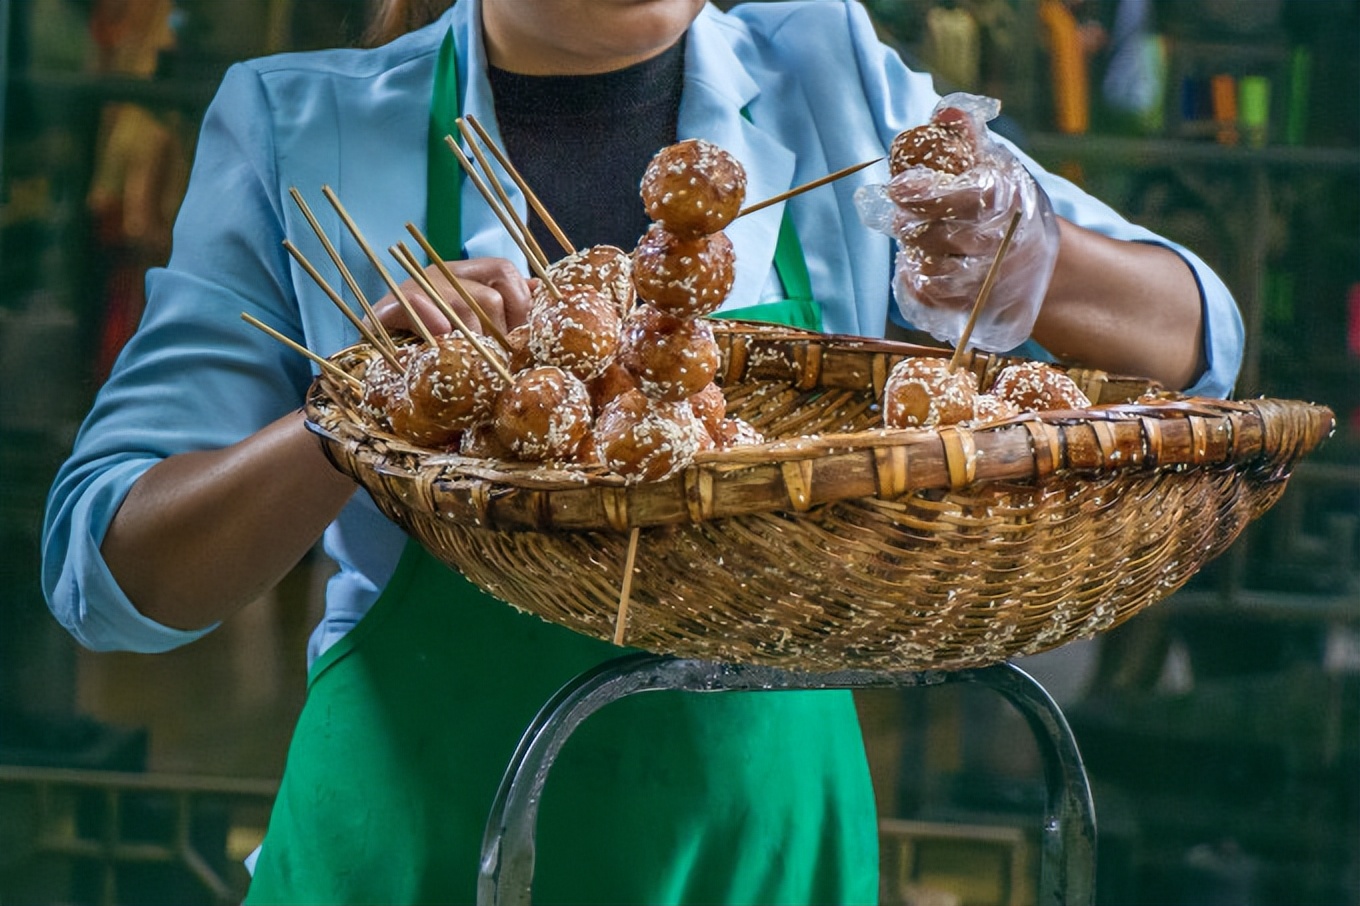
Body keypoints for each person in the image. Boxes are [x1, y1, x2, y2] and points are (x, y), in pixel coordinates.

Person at [42, 0, 1243, 902]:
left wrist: (1034, 253)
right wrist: (355, 413)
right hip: (415, 848)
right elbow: (112, 577)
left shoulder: (831, 79)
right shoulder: (298, 124)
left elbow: (1201, 342)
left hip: (760, 851)